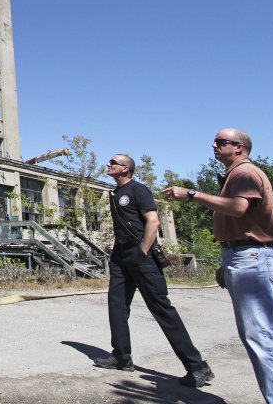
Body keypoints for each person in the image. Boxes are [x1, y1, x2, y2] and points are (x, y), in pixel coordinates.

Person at [163, 129, 273, 404]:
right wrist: (226, 262)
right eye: (215, 141)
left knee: (262, 338)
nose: (214, 145)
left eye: (221, 142)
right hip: (243, 256)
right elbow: (240, 220)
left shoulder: (245, 173)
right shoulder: (235, 175)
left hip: (253, 258)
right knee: (257, 337)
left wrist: (191, 194)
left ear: (239, 147)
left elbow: (238, 208)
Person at [95, 153, 214, 388]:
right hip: (120, 255)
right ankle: (121, 355)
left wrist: (142, 251)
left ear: (126, 169)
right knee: (117, 304)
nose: (108, 165)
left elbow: (153, 221)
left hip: (142, 255)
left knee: (161, 308)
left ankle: (197, 367)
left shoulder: (138, 190)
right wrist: (118, 251)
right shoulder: (115, 192)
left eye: (113, 162)